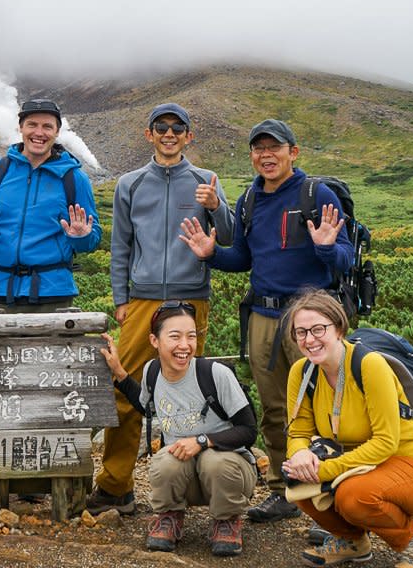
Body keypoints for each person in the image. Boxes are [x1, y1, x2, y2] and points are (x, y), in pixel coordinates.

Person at [180, 118, 353, 524]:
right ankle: (286, 490)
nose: (266, 155)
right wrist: (212, 254)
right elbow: (242, 258)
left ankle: (335, 499)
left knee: (331, 409)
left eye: (274, 147)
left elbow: (344, 259)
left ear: (293, 152)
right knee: (276, 409)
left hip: (312, 317)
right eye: (259, 149)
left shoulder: (316, 193)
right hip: (263, 316)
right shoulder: (249, 200)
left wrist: (327, 248)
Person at [0, 97, 101, 498]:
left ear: (57, 131)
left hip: (54, 291)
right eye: (32, 124)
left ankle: (46, 468)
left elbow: (94, 237)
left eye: (47, 126)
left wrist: (83, 237)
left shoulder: (74, 178)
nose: (39, 132)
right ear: (20, 128)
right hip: (1, 292)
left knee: (53, 385)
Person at [88, 102, 233, 516]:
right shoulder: (129, 185)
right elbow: (121, 246)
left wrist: (216, 206)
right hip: (142, 300)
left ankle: (185, 492)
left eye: (177, 127)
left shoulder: (207, 180)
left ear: (190, 135)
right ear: (148, 134)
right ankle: (116, 485)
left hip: (192, 299)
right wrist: (121, 299)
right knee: (125, 387)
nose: (169, 134)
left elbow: (228, 236)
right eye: (161, 127)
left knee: (190, 394)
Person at [282, 290, 413, 568]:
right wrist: (299, 456)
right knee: (298, 482)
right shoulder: (301, 372)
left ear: (339, 328)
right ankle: (351, 541)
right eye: (301, 332)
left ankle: (410, 541)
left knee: (353, 496)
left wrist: (325, 470)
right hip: (361, 465)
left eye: (318, 329)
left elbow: (386, 442)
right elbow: (298, 432)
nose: (309, 339)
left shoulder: (369, 365)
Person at [100, 301, 258, 557]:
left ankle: (226, 519)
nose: (185, 345)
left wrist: (203, 440)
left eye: (191, 336)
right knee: (166, 460)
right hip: (187, 477)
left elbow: (249, 430)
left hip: (230, 474)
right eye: (175, 336)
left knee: (214, 462)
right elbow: (146, 407)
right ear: (155, 340)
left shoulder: (215, 373)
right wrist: (118, 371)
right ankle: (169, 516)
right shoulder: (153, 372)